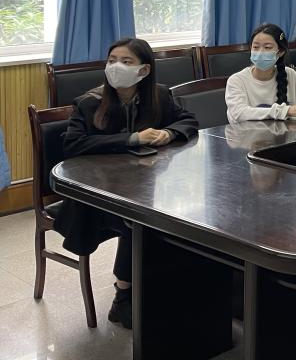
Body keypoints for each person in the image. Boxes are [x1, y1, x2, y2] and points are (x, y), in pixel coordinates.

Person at [53, 38, 199, 329]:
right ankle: (123, 296)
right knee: (140, 221)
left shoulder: (159, 95)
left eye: (126, 61)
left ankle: (165, 286)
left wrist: (169, 133)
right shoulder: (89, 102)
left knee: (179, 216)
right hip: (95, 195)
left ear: (144, 70)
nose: (116, 67)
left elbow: (188, 121)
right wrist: (132, 139)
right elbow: (73, 145)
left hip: (144, 185)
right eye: (112, 61)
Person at [225, 23, 296, 123]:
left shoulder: (289, 74)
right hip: (248, 136)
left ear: (280, 52)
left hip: (286, 135)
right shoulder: (237, 80)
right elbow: (239, 113)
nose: (260, 52)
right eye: (256, 47)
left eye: (267, 47)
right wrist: (287, 111)